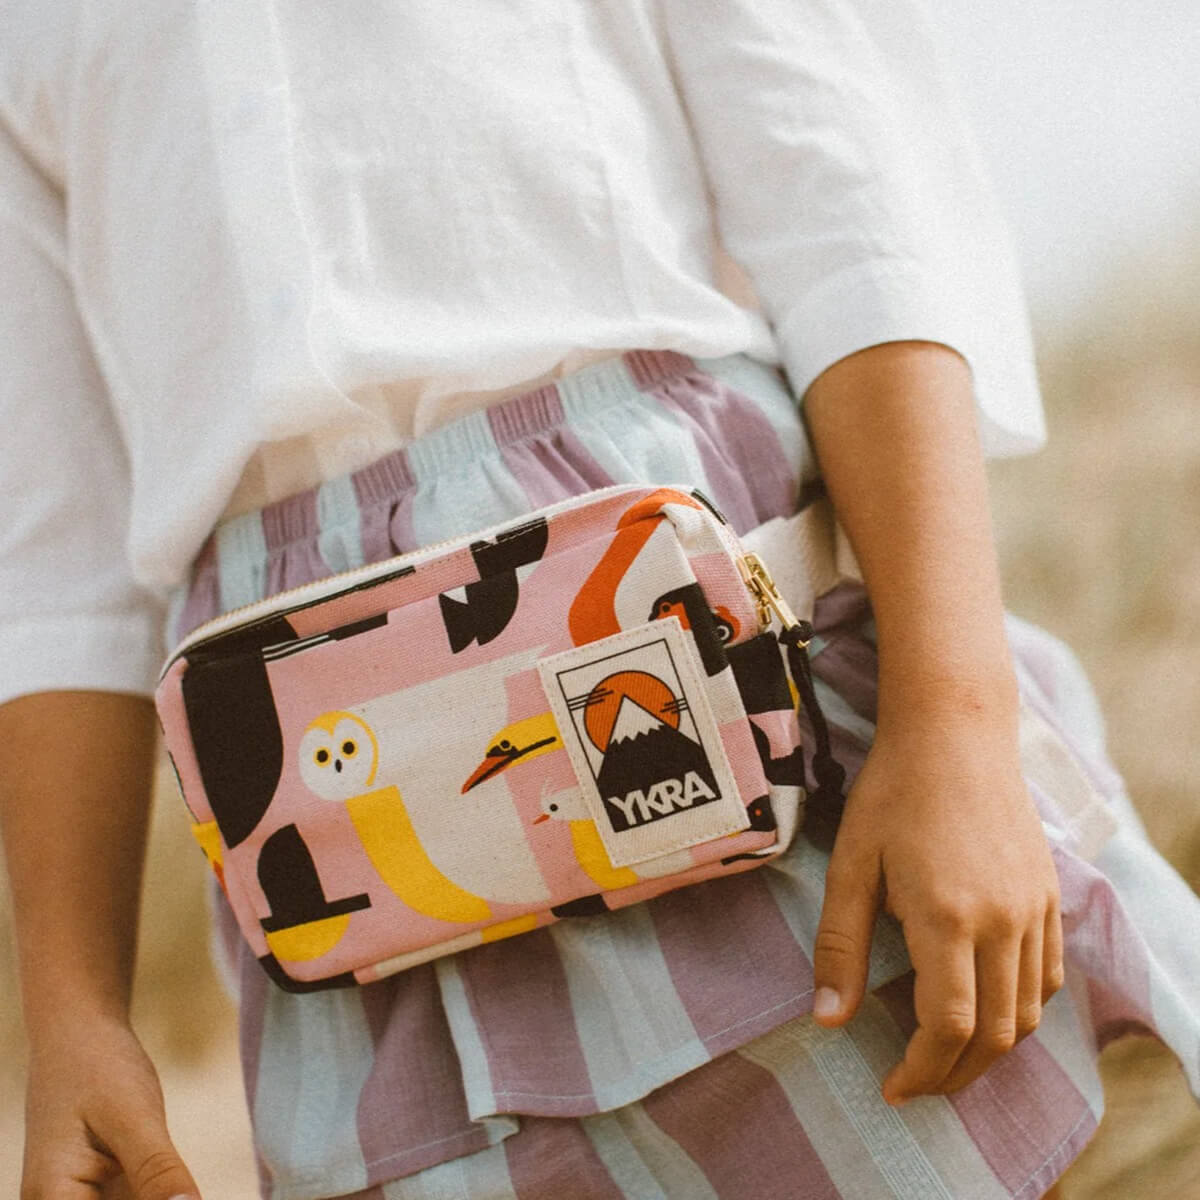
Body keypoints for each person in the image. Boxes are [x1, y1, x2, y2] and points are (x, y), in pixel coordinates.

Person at [2, 3, 1197, 1198]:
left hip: (737, 698)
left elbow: (852, 219)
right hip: (344, 858)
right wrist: (74, 1011)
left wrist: (954, 723)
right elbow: (56, 563)